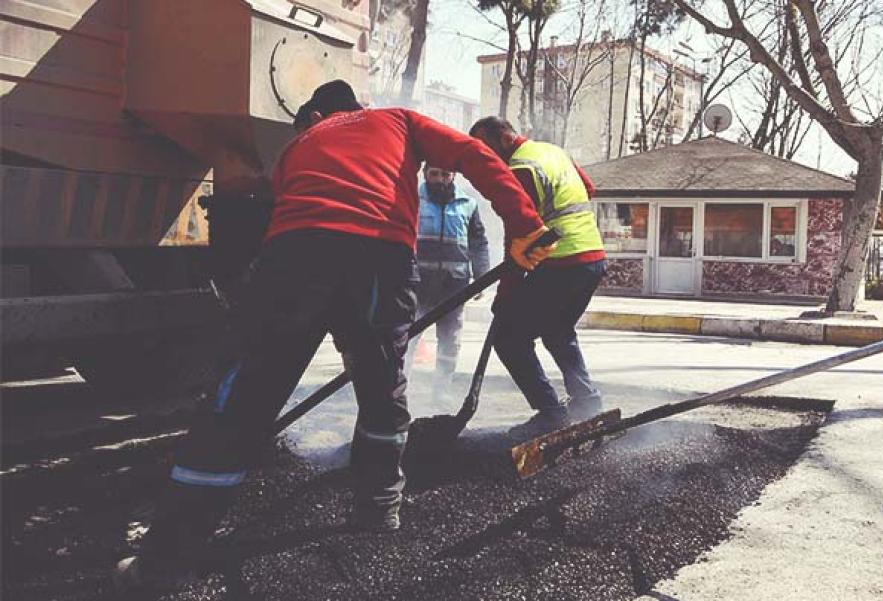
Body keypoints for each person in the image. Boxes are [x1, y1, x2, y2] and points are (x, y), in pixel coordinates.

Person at [114, 80, 552, 590]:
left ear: (317, 115)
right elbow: (474, 154)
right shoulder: (397, 119)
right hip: (381, 263)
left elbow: (260, 218)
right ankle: (379, 507)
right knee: (382, 383)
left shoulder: (297, 146)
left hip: (297, 259)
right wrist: (524, 223)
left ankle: (165, 562)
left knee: (242, 399)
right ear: (355, 107)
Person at [468, 116, 608, 438]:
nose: (482, 156)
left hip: (562, 262)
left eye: (483, 147)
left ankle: (551, 414)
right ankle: (587, 402)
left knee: (509, 339)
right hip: (591, 257)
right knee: (558, 332)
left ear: (503, 139)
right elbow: (588, 188)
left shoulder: (519, 168)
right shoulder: (552, 152)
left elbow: (519, 233)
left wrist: (506, 292)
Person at [411, 165, 490, 382]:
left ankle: (442, 388)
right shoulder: (412, 200)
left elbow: (478, 242)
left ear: (453, 176)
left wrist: (482, 276)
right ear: (425, 174)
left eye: (445, 175)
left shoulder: (468, 204)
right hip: (418, 282)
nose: (439, 180)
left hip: (454, 285)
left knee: (449, 340)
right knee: (408, 337)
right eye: (434, 174)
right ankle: (401, 389)